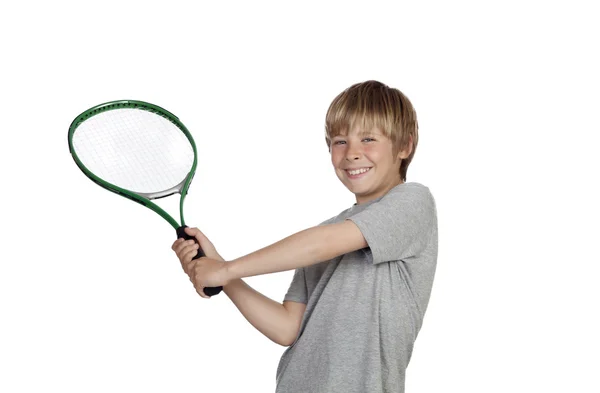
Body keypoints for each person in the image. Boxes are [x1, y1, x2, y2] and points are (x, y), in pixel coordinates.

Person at [171, 80, 438, 393]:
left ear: (404, 147)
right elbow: (287, 328)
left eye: (368, 139)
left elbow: (320, 244)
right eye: (340, 141)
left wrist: (228, 269)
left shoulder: (413, 202)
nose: (352, 153)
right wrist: (222, 273)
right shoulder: (323, 235)